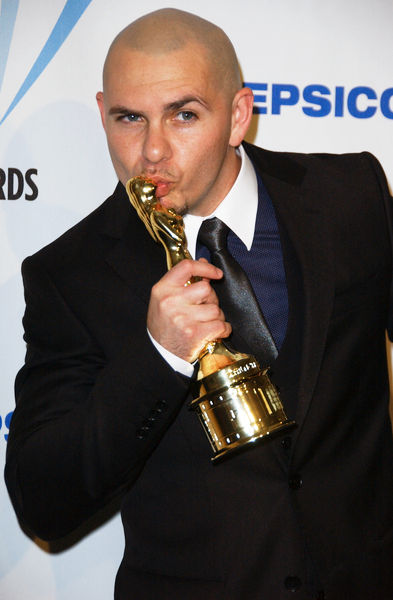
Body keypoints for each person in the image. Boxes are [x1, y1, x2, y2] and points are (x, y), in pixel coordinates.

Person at [5, 8, 393, 600]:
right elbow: (45, 504)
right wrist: (157, 355)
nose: (152, 151)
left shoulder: (351, 198)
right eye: (129, 118)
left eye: (184, 115)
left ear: (239, 115)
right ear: (103, 111)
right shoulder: (70, 274)